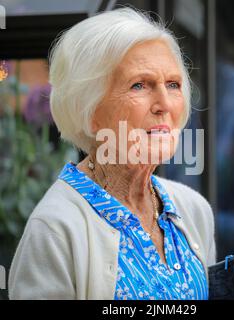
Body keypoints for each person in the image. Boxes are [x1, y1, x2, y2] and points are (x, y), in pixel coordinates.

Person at [8, 7, 216, 300]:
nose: (164, 104)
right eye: (139, 85)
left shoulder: (193, 210)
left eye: (173, 84)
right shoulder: (55, 229)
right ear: (90, 109)